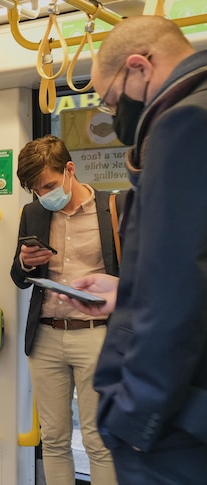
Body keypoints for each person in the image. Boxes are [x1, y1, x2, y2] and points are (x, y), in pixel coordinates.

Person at [59, 15, 207, 484]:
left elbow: (177, 290)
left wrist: (135, 416)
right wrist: (128, 291)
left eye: (110, 100)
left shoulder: (182, 122)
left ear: (140, 68)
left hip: (173, 418)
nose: (113, 114)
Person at [9, 135, 121, 485]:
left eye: (49, 185)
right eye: (36, 190)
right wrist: (25, 263)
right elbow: (18, 277)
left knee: (99, 440)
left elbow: (137, 274)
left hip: (97, 334)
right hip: (45, 336)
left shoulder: (114, 208)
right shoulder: (33, 213)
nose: (44, 195)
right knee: (53, 438)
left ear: (70, 170)